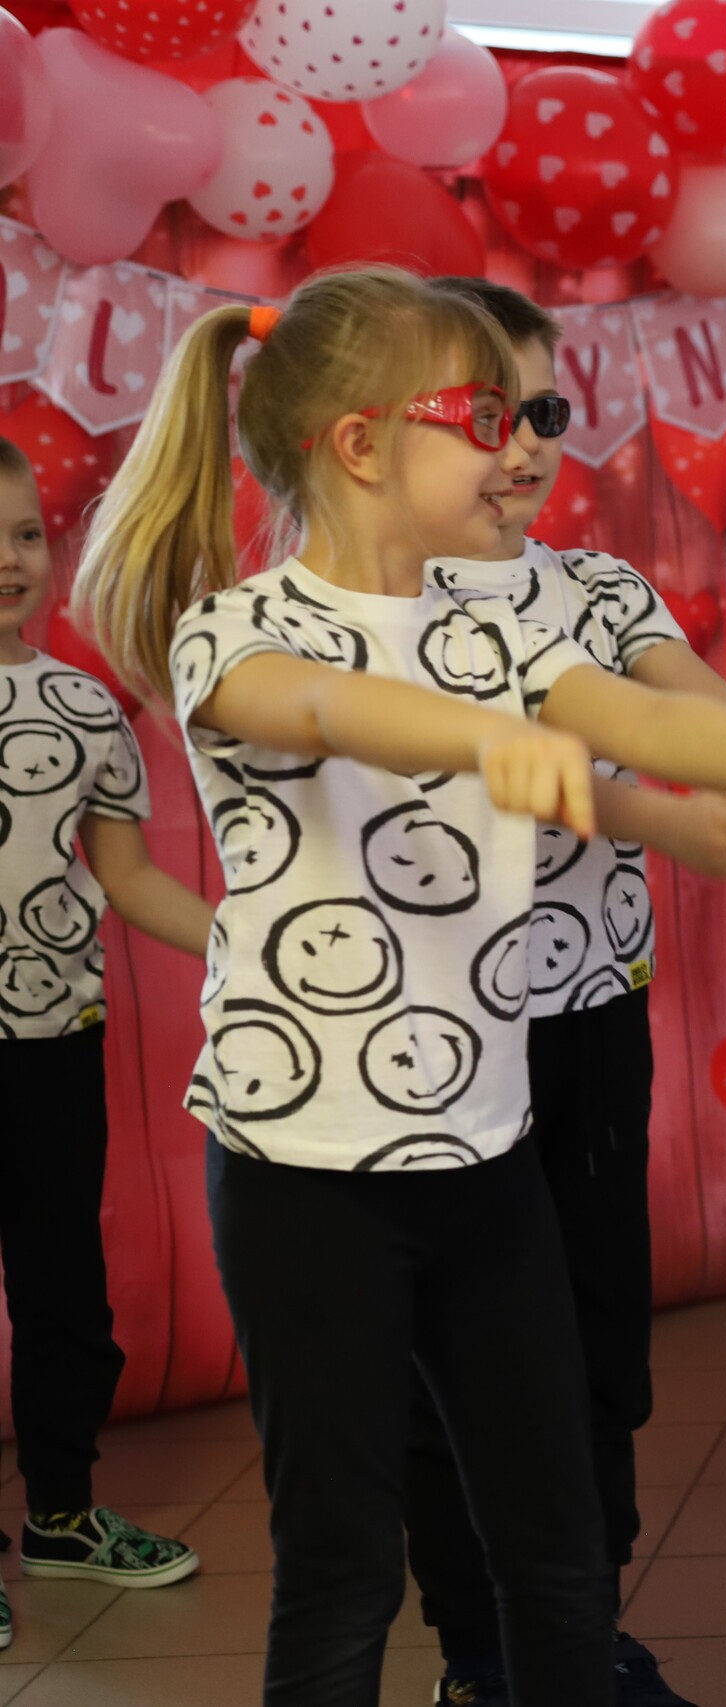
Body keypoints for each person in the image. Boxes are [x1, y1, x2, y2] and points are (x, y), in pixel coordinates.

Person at [71, 267, 726, 1707]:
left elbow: (642, 713)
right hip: (308, 1174)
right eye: (483, 418)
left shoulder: (502, 628)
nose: (521, 449)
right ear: (363, 445)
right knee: (342, 1566)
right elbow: (331, 705)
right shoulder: (238, 629)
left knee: (555, 1549)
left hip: (485, 1150)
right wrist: (487, 742)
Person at [410, 276, 726, 1707]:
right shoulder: (356, 613)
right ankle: (479, 1652)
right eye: (485, 413)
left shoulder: (595, 588)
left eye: (545, 411)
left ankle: (579, 1633)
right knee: (453, 1356)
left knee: (593, 1336)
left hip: (587, 1019)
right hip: (428, 1043)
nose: (523, 444)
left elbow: (693, 699)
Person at [0, 436, 215, 1656]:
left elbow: (128, 878)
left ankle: (65, 1514)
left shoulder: (84, 709)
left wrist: (258, 945)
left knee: (64, 1290)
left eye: (26, 535)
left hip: (52, 1046)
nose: (10, 559)